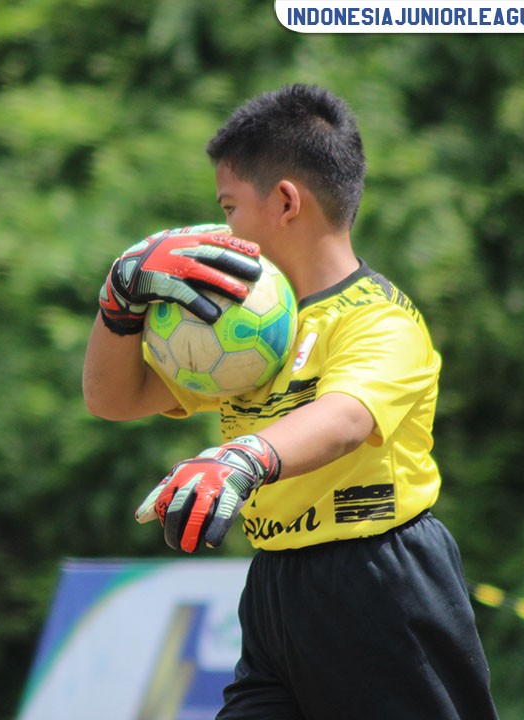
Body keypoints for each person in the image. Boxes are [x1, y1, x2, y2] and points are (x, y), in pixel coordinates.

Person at [82, 84, 498, 718]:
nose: (221, 230)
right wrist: (120, 298)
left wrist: (239, 459)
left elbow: (345, 417)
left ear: (284, 201)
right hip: (277, 588)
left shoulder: (379, 319)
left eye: (228, 208)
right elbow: (112, 398)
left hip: (381, 582)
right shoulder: (240, 328)